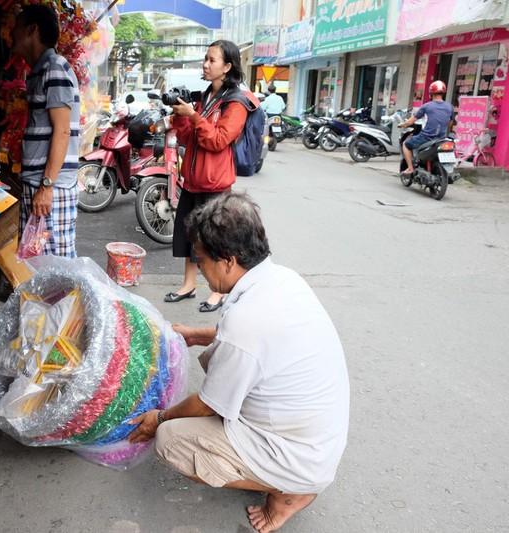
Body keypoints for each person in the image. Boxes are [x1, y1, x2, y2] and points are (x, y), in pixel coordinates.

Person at [130, 192, 350, 533]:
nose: (199, 269)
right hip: (316, 437)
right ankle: (283, 475)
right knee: (218, 361)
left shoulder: (246, 322)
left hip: (300, 457)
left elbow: (207, 404)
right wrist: (196, 334)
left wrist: (159, 417)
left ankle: (288, 491)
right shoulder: (282, 279)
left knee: (170, 438)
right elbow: (248, 340)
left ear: (228, 261)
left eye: (201, 261)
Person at [164, 40, 247, 313]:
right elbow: (190, 138)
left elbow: (218, 141)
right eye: (205, 59)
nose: (206, 64)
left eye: (212, 60)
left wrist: (195, 117)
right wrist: (181, 119)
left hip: (215, 183)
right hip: (193, 180)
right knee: (189, 235)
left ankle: (217, 290)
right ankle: (189, 284)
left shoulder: (236, 102)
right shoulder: (203, 97)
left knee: (214, 239)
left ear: (227, 66)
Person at [12, 4, 80, 257]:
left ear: (32, 30)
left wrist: (47, 187)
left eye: (16, 28)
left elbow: (62, 131)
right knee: (35, 263)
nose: (11, 34)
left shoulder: (54, 69)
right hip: (40, 184)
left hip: (52, 188)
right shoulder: (39, 71)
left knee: (54, 272)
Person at [400, 80, 454, 176]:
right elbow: (450, 123)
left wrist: (403, 125)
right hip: (441, 138)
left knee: (406, 145)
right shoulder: (449, 107)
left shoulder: (427, 106)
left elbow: (411, 121)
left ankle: (410, 168)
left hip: (426, 137)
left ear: (431, 93)